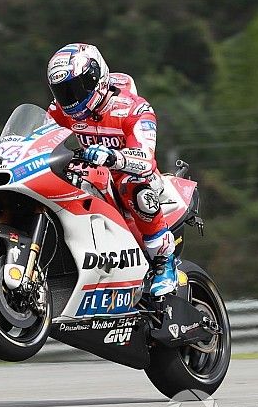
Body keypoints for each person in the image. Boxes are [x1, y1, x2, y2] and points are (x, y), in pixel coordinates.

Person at [45, 43, 176, 297]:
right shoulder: (60, 112)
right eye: (63, 92)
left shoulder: (135, 110)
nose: (69, 99)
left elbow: (146, 161)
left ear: (95, 78)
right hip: (90, 176)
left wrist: (113, 156)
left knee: (133, 184)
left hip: (133, 180)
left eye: (75, 89)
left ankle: (163, 261)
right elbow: (38, 139)